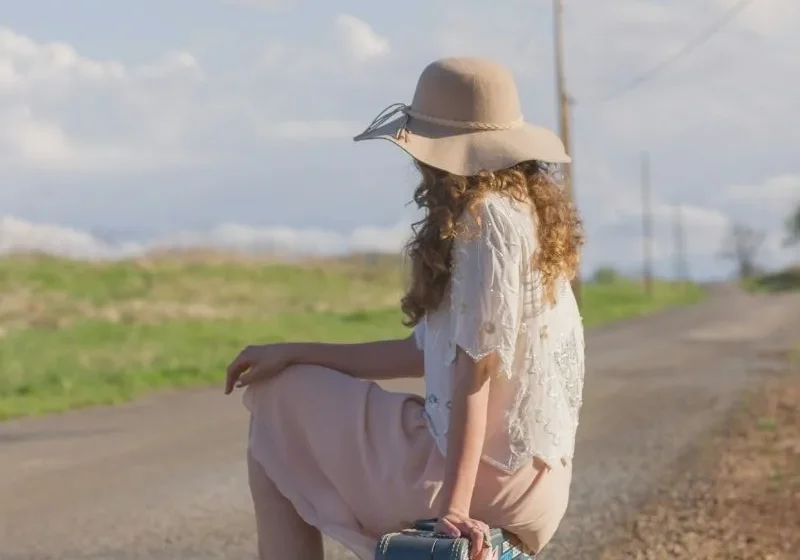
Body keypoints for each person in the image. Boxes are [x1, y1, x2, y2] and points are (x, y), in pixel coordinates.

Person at [224, 56, 586, 560]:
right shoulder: (523, 214)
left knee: (274, 404)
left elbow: (474, 373)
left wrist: (454, 510)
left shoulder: (486, 223)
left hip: (485, 478)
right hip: (529, 477)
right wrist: (295, 350)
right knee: (284, 386)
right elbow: (425, 354)